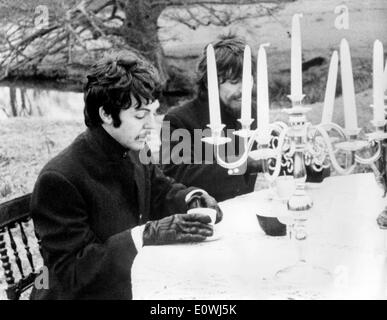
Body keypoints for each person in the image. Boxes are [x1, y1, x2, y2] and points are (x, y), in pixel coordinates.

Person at [30, 53, 222, 300]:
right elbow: (73, 273)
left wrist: (191, 198)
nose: (151, 125)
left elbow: (158, 187)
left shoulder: (133, 148)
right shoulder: (59, 179)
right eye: (140, 116)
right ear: (106, 115)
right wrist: (145, 235)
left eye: (153, 113)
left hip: (131, 284)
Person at [160, 35, 261, 202]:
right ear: (209, 83)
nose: (243, 90)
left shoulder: (251, 112)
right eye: (234, 82)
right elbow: (177, 174)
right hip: (201, 214)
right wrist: (242, 164)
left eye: (246, 80)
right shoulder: (177, 120)